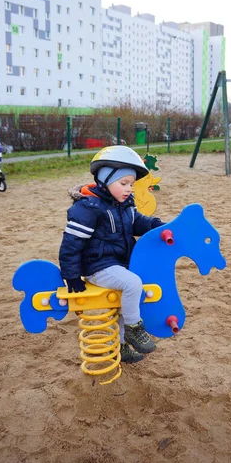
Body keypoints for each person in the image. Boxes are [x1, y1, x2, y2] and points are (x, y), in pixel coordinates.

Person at [59, 145, 166, 364]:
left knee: (120, 305)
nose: (129, 189)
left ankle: (120, 344)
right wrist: (71, 276)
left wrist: (156, 226)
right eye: (123, 183)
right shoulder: (88, 208)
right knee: (133, 284)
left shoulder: (124, 204)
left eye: (131, 184)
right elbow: (71, 244)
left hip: (116, 263)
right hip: (97, 266)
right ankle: (135, 328)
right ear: (105, 181)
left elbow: (137, 222)